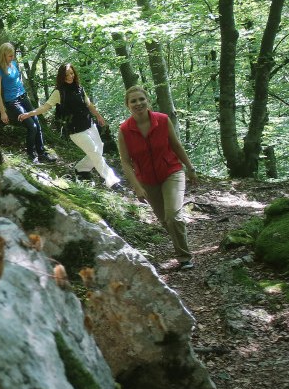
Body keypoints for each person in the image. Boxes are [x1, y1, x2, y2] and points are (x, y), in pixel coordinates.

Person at [117, 85, 199, 270]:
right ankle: (180, 241)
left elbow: (176, 145)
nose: (138, 103)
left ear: (148, 100)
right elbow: (125, 162)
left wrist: (190, 168)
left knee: (173, 216)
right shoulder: (124, 130)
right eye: (133, 101)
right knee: (164, 220)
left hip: (172, 172)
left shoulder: (162, 120)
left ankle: (184, 258)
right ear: (128, 105)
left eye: (141, 99)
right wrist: (137, 186)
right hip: (147, 179)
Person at [18, 63, 120, 188]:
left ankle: (81, 168)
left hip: (90, 125)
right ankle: (112, 181)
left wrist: (98, 116)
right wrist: (29, 114)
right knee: (94, 153)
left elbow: (89, 105)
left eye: (71, 73)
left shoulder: (80, 89)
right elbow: (45, 107)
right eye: (66, 75)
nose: (70, 76)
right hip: (76, 131)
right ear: (62, 77)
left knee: (99, 149)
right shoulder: (59, 92)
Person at [0, 42, 51, 163]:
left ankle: (42, 153)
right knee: (32, 126)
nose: (12, 58)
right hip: (13, 102)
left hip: (23, 97)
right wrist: (3, 112)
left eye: (13, 55)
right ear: (3, 55)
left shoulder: (13, 64)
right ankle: (31, 155)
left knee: (37, 124)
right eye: (9, 56)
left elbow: (17, 80)